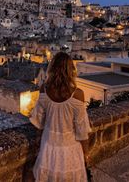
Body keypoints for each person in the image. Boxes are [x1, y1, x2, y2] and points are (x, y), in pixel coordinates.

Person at [29, 52, 91, 182]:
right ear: (71, 70)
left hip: (48, 146)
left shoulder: (44, 90)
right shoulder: (77, 94)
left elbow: (39, 122)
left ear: (52, 68)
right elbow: (82, 130)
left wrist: (37, 141)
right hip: (70, 148)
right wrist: (86, 153)